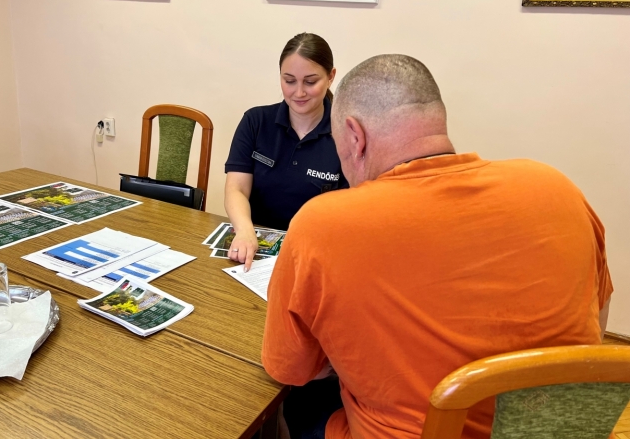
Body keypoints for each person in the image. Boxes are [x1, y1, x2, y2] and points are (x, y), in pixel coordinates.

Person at [262, 54, 613, 439]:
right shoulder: (556, 188)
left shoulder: (322, 224)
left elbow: (291, 369)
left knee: (296, 403)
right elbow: (597, 319)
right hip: (564, 430)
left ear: (355, 136)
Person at [224, 33, 349, 271]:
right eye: (289, 81)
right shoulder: (256, 121)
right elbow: (236, 188)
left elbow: (351, 211)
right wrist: (245, 231)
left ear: (331, 77)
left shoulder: (348, 133)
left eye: (310, 82)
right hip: (256, 251)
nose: (299, 92)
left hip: (316, 254)